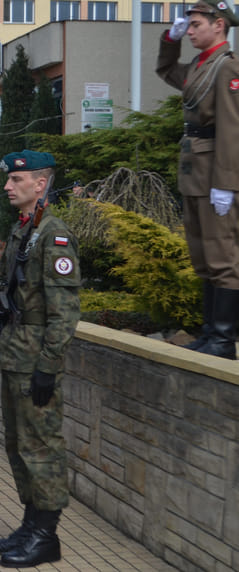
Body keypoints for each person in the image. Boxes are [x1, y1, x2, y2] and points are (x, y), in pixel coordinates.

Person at [0, 151, 80, 568]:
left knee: (42, 447)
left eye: (16, 180)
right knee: (19, 445)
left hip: (35, 357)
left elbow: (64, 311)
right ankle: (30, 522)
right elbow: (2, 276)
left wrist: (48, 366)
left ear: (40, 185)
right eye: (9, 180)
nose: (7, 186)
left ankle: (46, 536)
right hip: (15, 353)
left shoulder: (55, 235)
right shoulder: (25, 229)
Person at [156, 0, 239, 359]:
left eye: (195, 24)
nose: (188, 31)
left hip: (214, 177)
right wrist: (169, 40)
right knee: (203, 257)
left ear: (219, 25)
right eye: (186, 26)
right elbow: (164, 69)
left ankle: (223, 340)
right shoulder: (199, 65)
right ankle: (210, 334)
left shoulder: (226, 68)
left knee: (222, 258)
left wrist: (227, 182)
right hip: (195, 173)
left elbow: (232, 129)